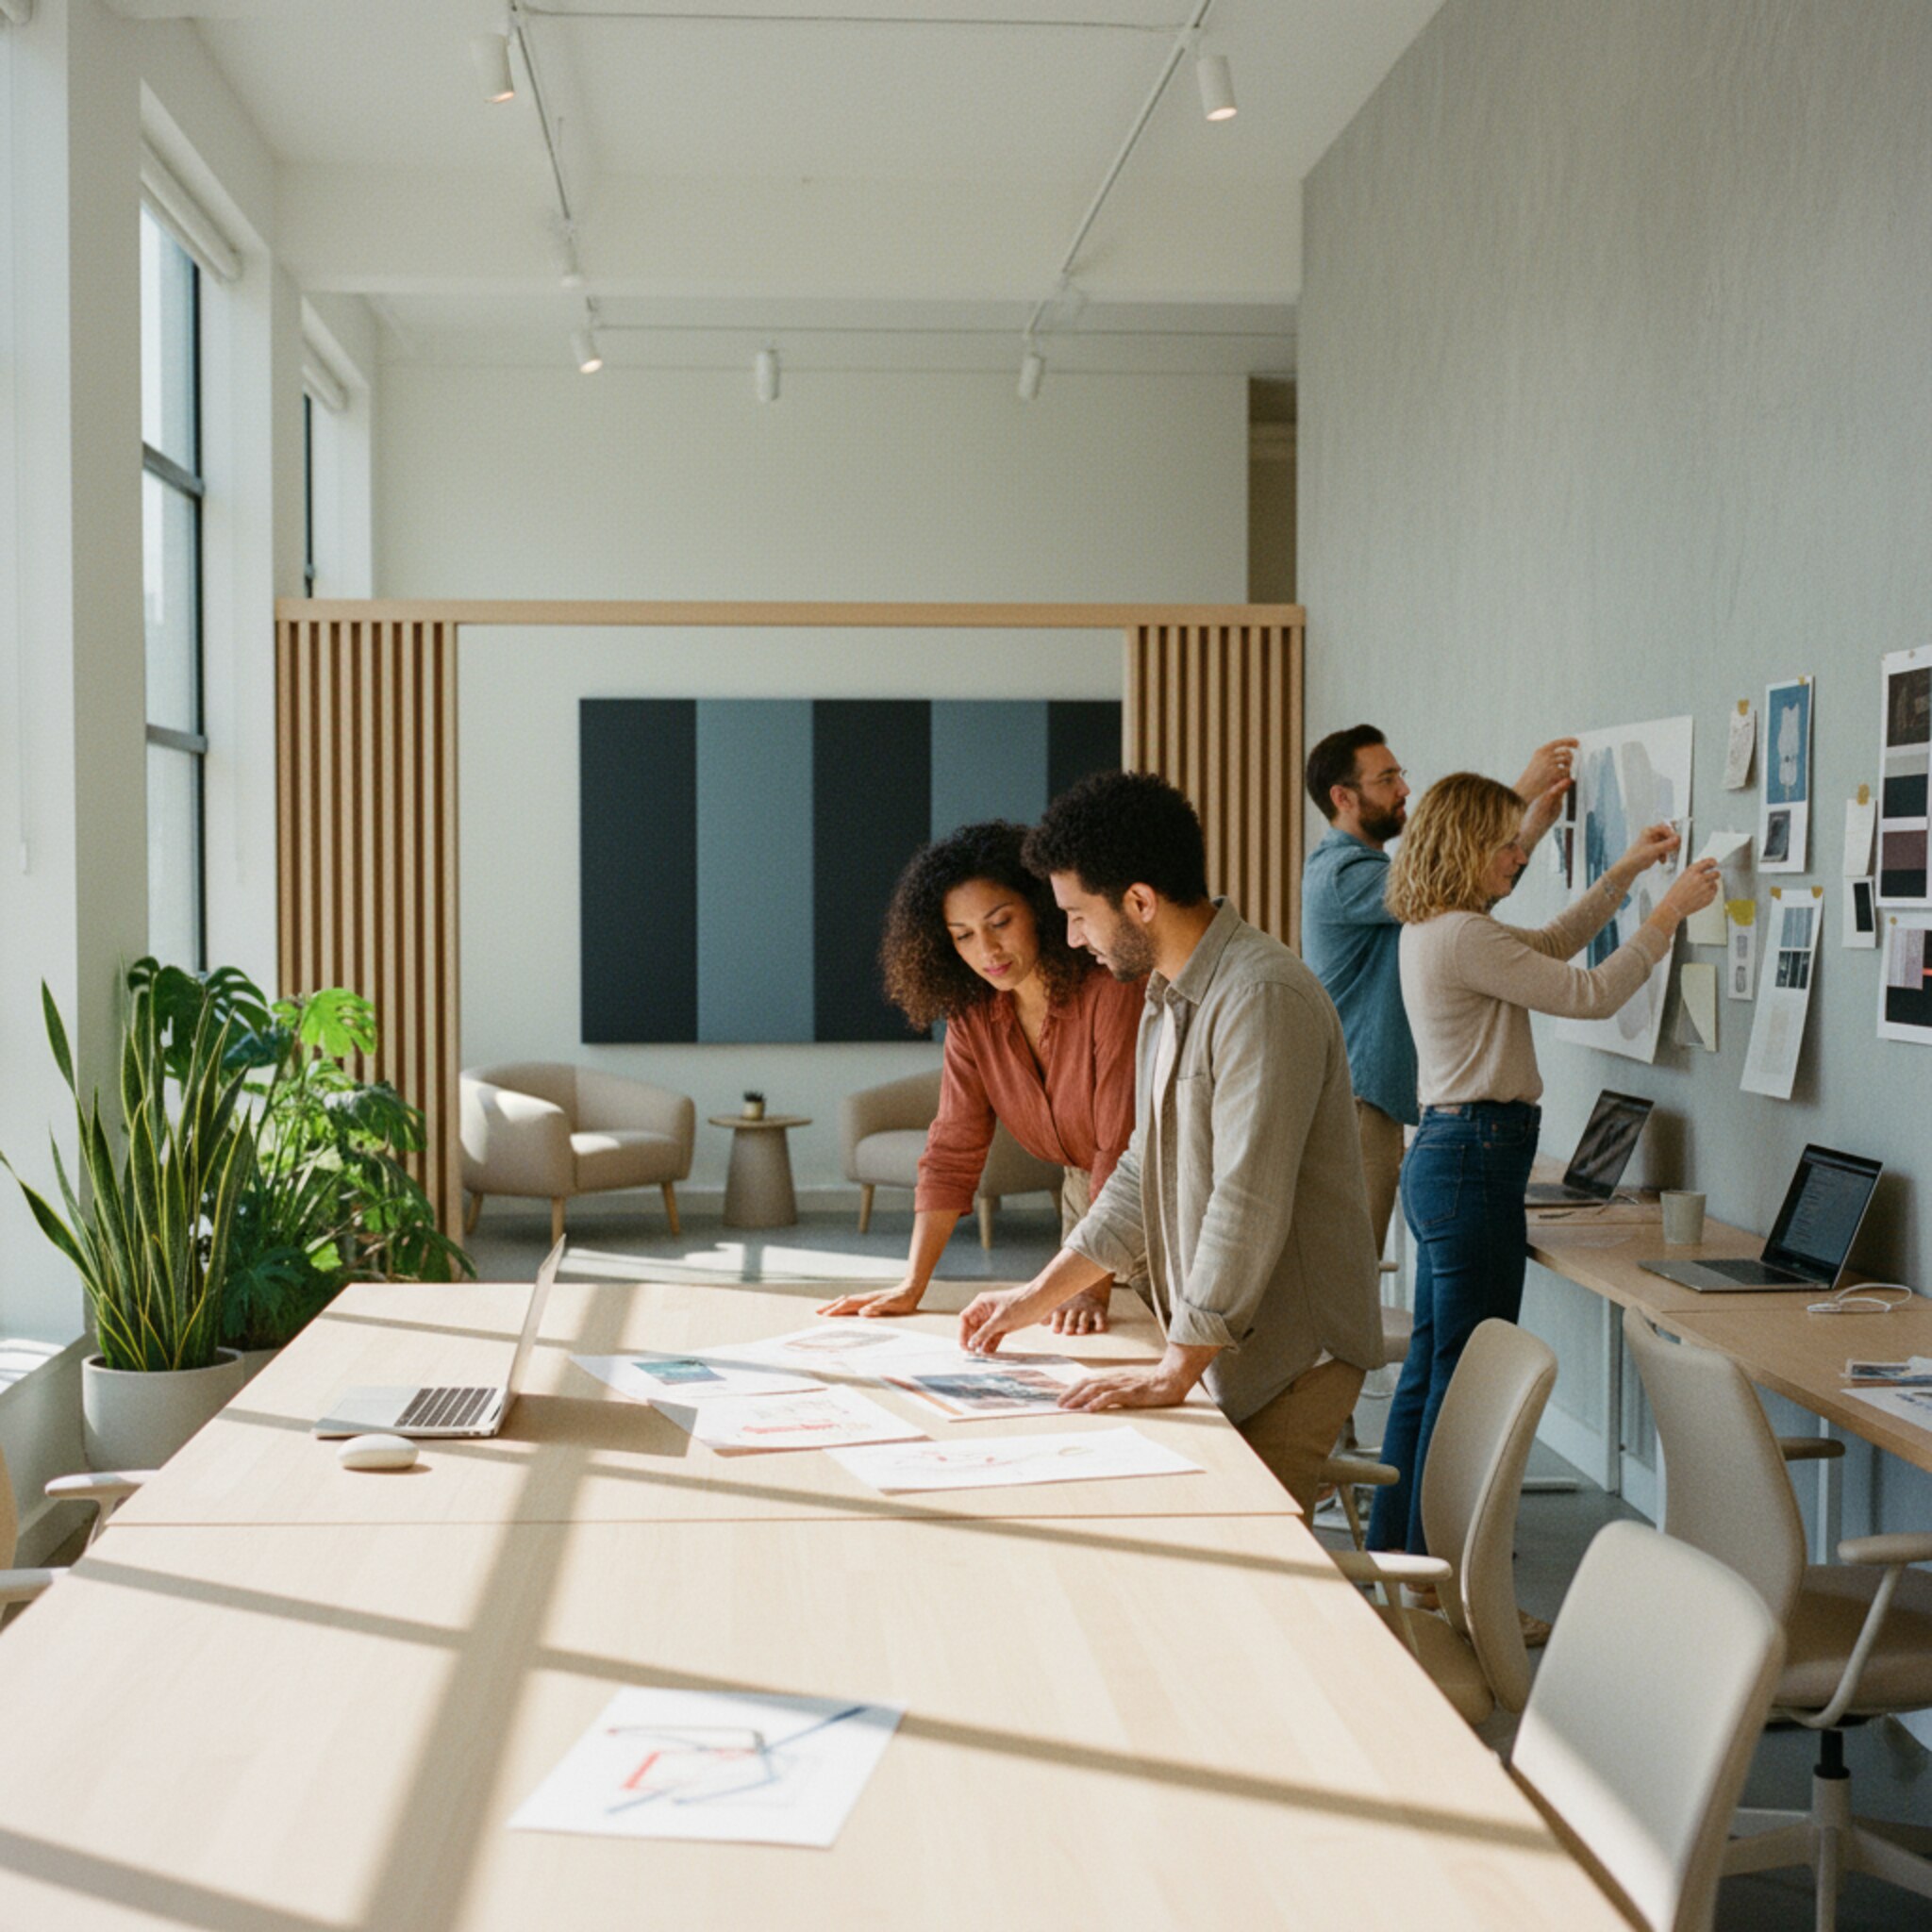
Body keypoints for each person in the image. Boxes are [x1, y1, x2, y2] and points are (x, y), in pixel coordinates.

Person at [955, 772, 1384, 1516]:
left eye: (1079, 916)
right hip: (1225, 1348)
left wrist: (1174, 1368)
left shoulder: (1260, 997)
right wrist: (1034, 1298)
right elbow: (1135, 1179)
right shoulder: (1166, 995)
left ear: (1141, 902)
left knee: (1243, 1579)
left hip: (1290, 1359)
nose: (1071, 938)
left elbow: (1244, 1198)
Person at [1365, 773, 1721, 1557]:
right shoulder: (1463, 935)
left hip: (1451, 1157)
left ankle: (1401, 1562)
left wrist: (1626, 874)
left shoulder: (1439, 929)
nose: (1519, 856)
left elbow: (1557, 943)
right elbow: (1591, 993)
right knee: (1466, 1382)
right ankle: (1446, 1579)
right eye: (1509, 843)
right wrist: (1666, 914)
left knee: (1434, 1372)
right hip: (1473, 1160)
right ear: (1465, 846)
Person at [818, 820, 1143, 1335]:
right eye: (963, 936)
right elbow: (954, 1146)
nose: (986, 950)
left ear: (1039, 908)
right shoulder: (973, 1013)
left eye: (1001, 922)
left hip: (1153, 1201)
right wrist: (912, 1285)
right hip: (1087, 1204)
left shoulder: (1109, 989)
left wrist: (1086, 1285)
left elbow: (1118, 1146)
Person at [1301, 726, 1577, 1256]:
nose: (1404, 789)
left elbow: (1458, 892)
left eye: (1400, 774)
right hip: (1358, 1107)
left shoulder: (1362, 870)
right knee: (1351, 1274)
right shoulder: (1341, 874)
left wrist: (1528, 831)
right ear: (1343, 798)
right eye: (1387, 779)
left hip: (1369, 1104)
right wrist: (1515, 797)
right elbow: (1444, 876)